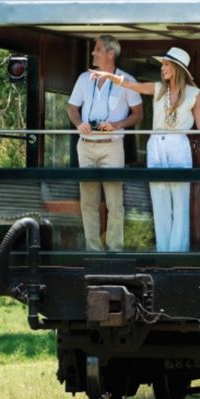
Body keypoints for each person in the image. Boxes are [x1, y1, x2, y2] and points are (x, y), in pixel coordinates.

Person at [91, 46, 200, 252]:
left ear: (177, 68)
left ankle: (177, 253)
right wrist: (108, 75)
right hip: (156, 143)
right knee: (160, 202)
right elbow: (131, 85)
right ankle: (163, 252)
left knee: (180, 202)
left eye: (166, 65)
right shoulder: (158, 89)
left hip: (179, 144)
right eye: (163, 65)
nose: (163, 69)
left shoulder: (194, 94)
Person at [67, 35, 143, 251]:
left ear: (111, 53)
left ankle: (115, 250)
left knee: (114, 202)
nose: (93, 53)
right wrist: (79, 123)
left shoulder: (126, 80)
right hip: (86, 145)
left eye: (98, 49)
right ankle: (93, 250)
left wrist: (118, 124)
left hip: (112, 146)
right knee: (88, 202)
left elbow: (138, 114)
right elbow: (72, 108)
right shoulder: (83, 78)